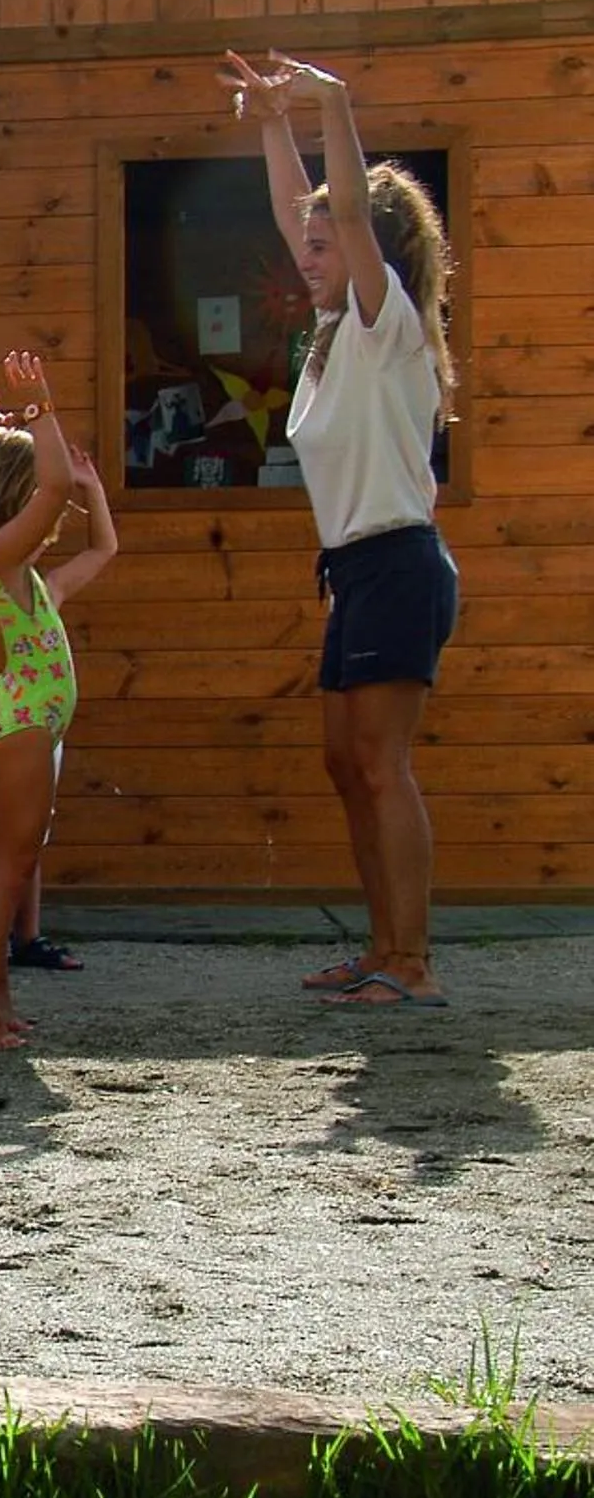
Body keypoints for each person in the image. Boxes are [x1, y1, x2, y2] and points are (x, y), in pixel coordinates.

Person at [223, 49, 459, 1011]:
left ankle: (411, 963)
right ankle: (379, 948)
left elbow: (347, 213)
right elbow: (300, 213)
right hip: (355, 570)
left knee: (377, 761)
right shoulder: (328, 336)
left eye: (324, 247)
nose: (307, 256)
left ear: (369, 253)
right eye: (309, 247)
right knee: (341, 761)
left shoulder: (382, 320)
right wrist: (271, 121)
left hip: (398, 562)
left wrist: (331, 102)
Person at [0, 354, 118, 1050]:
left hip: (11, 722)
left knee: (4, 871)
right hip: (16, 725)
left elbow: (102, 546)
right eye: (42, 499)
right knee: (9, 870)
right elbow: (46, 487)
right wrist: (41, 409)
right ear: (16, 497)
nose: (55, 506)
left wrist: (89, 486)